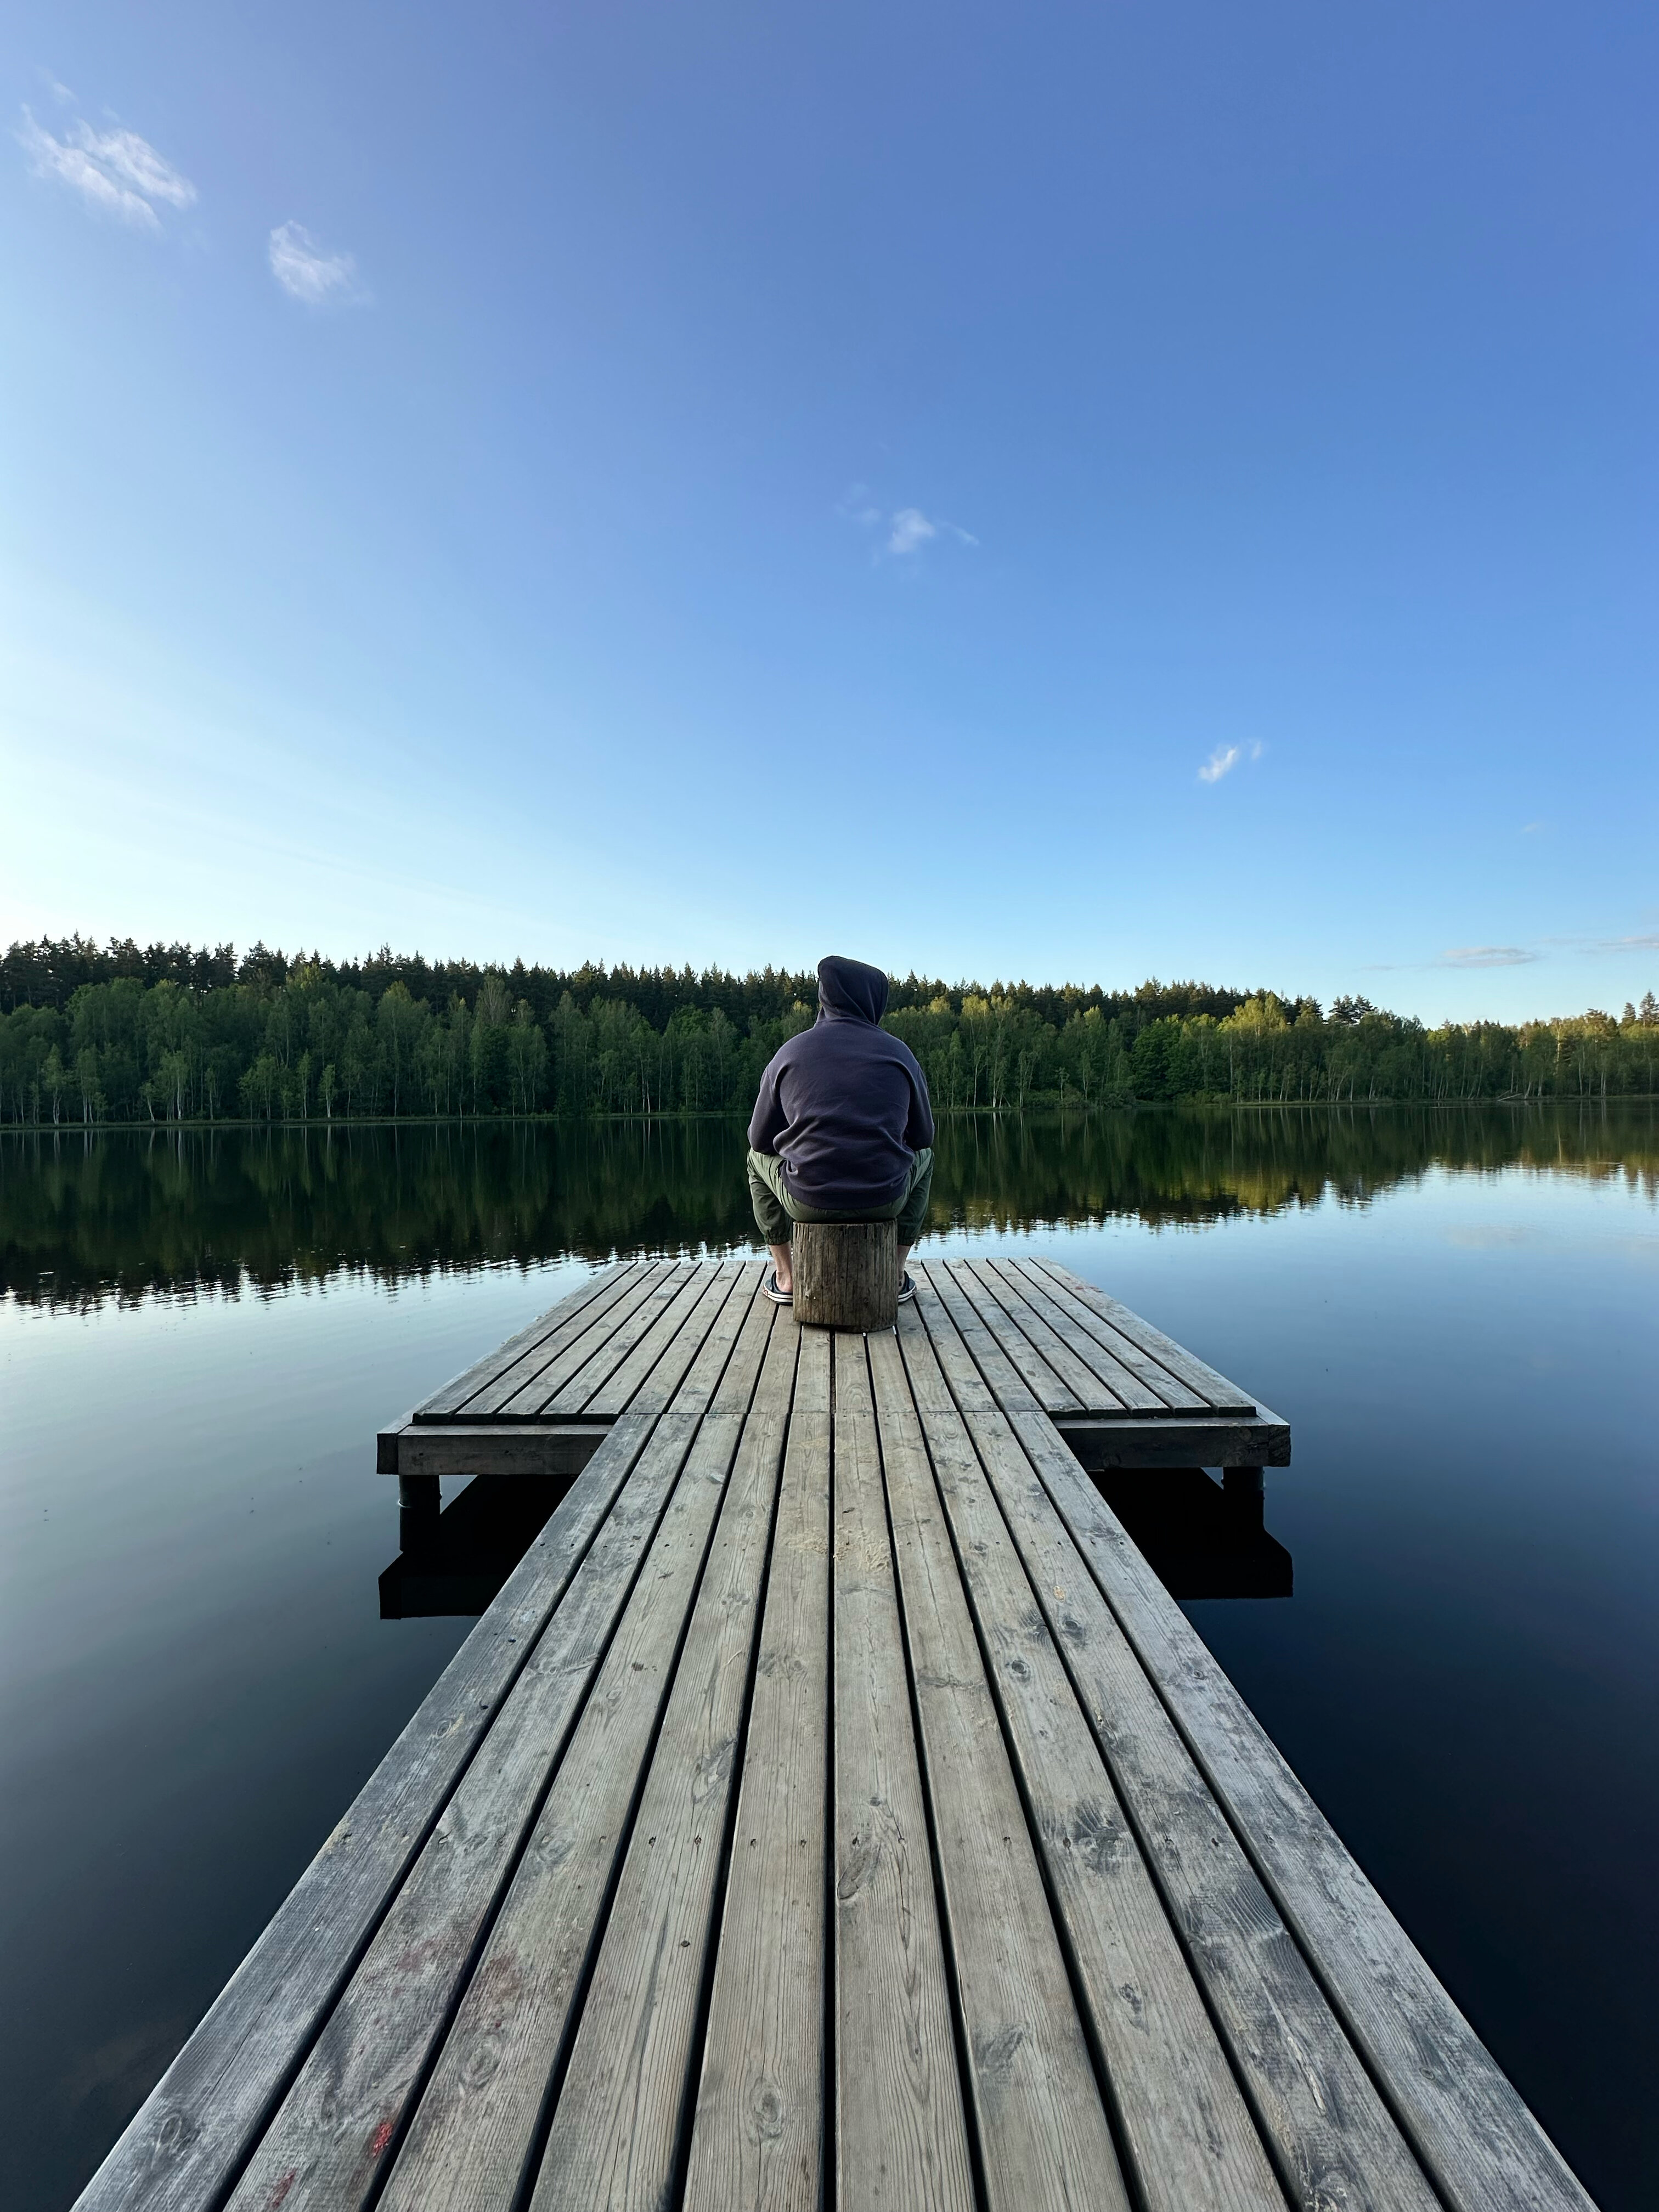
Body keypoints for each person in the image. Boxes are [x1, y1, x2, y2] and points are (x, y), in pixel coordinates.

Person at [747, 955, 935, 1305]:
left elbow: (758, 1141)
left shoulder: (790, 1053)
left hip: (807, 1199)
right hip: (885, 1198)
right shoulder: (900, 1054)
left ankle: (787, 1278)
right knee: (925, 1159)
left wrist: (799, 1144)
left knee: (754, 1161)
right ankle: (893, 1275)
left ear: (825, 997)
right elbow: (924, 1138)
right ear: (874, 1000)